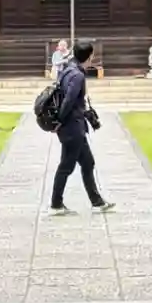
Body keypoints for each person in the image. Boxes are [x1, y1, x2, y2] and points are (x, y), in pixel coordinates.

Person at [50, 39, 113, 213]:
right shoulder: (77, 75)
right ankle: (56, 204)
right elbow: (69, 100)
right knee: (66, 166)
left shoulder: (68, 70)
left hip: (74, 125)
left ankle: (97, 202)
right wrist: (60, 121)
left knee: (87, 162)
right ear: (89, 56)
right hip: (72, 127)